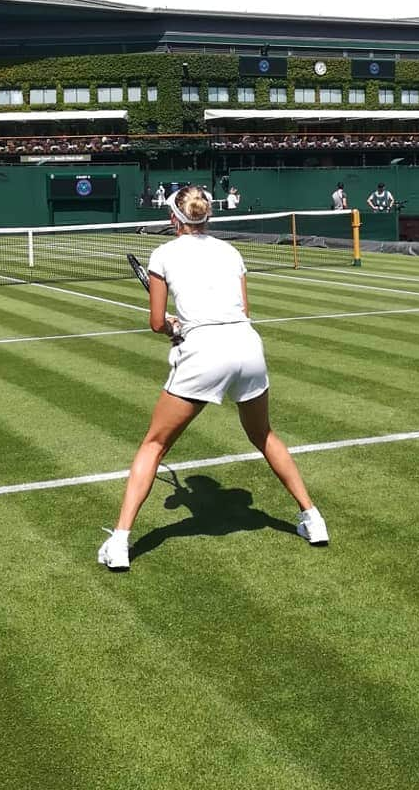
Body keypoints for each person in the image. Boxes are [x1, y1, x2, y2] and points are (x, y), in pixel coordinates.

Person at [97, 185, 328, 571]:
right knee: (264, 434)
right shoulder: (230, 251)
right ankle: (313, 518)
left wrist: (172, 325)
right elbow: (242, 308)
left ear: (174, 218)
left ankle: (120, 541)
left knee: (153, 445)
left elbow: (156, 322)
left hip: (205, 353)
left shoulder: (163, 253)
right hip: (246, 346)